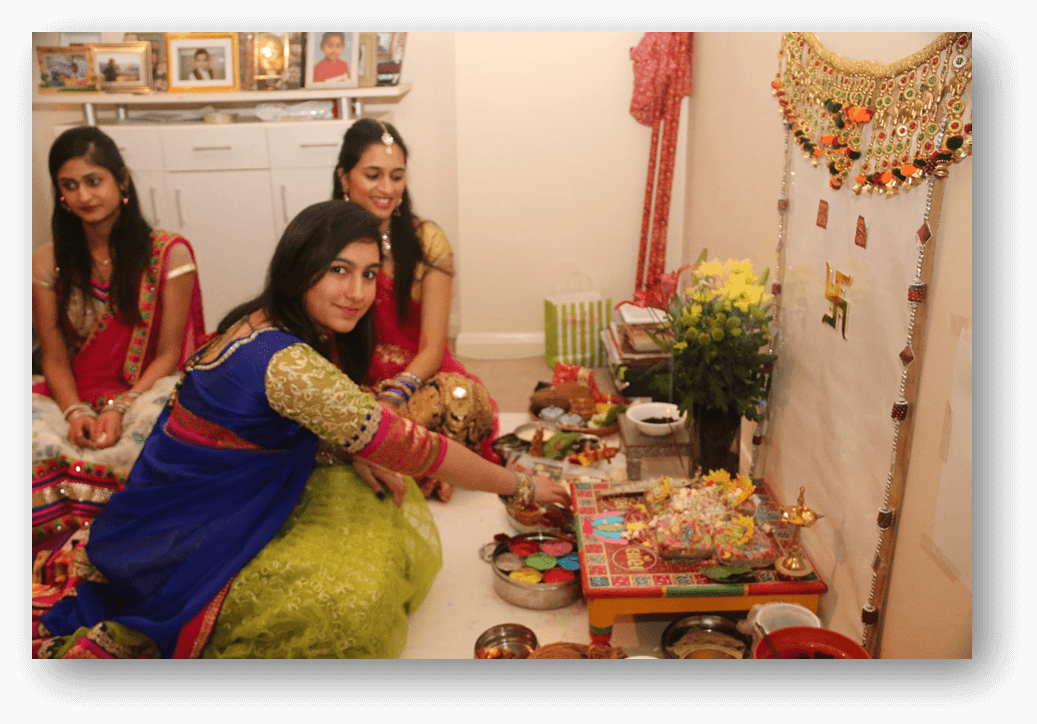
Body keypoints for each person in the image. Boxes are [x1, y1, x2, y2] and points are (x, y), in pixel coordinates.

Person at [32, 200, 571, 659]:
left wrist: (356, 445)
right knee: (353, 602)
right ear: (298, 267)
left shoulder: (267, 319)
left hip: (211, 498)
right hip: (191, 534)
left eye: (367, 273)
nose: (357, 292)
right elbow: (416, 447)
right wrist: (521, 484)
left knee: (377, 488)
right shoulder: (286, 361)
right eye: (338, 270)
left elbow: (332, 429)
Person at [32, 126, 207, 557]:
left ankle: (132, 547)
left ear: (120, 180)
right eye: (69, 186)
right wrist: (74, 411)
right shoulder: (47, 262)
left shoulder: (168, 255)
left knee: (163, 429)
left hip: (144, 388)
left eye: (94, 181)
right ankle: (56, 549)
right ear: (60, 195)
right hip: (68, 393)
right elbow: (53, 359)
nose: (84, 196)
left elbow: (168, 354)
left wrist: (121, 406)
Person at [333, 118, 500, 502]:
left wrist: (393, 397)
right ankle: (423, 462)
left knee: (464, 398)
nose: (386, 189)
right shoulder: (325, 242)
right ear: (345, 177)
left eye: (397, 176)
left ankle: (399, 458)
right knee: (326, 423)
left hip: (417, 381)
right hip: (350, 378)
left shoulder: (428, 242)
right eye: (373, 175)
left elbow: (432, 347)